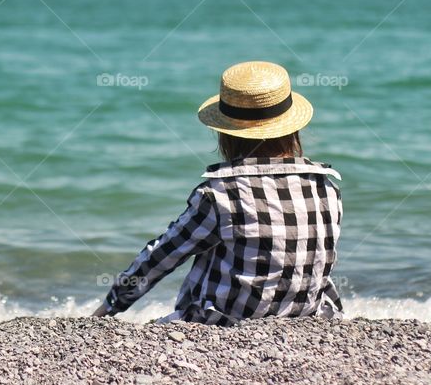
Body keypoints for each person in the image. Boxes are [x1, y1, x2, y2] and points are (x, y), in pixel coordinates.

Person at [92, 61, 343, 325]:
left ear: (226, 135)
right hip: (305, 319)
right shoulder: (326, 188)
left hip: (225, 321)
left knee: (206, 241)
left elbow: (162, 256)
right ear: (293, 129)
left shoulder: (222, 194)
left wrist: (110, 307)